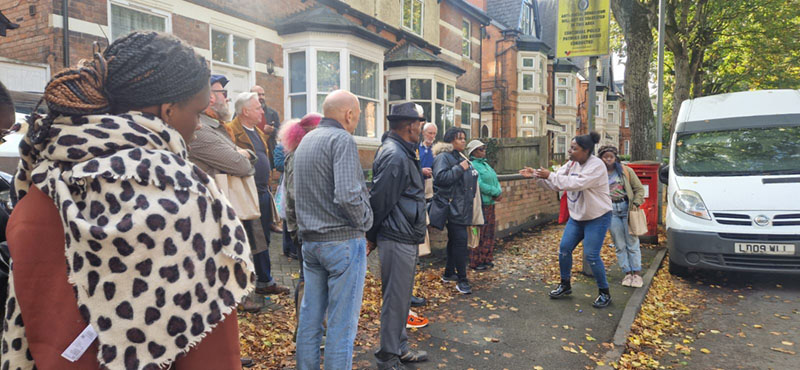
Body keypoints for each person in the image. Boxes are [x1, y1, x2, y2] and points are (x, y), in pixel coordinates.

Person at [3, 31, 251, 369]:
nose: (196, 128)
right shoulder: (181, 194)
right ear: (168, 111)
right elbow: (212, 353)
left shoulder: (42, 184)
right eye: (196, 113)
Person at [293, 90, 373, 370]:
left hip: (311, 243)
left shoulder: (305, 142)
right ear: (349, 114)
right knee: (341, 326)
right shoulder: (342, 140)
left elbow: (293, 196)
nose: (357, 121)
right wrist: (366, 222)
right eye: (358, 115)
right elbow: (348, 196)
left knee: (310, 320)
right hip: (341, 242)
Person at [367, 102, 429, 370]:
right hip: (396, 236)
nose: (422, 128)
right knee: (395, 298)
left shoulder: (403, 151)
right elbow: (379, 200)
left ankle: (399, 347)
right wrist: (371, 235)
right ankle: (387, 355)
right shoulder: (395, 154)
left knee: (401, 297)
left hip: (403, 234)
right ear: (410, 126)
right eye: (420, 123)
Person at [519, 132, 613, 308]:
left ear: (585, 151)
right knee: (564, 249)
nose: (569, 151)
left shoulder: (597, 166)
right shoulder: (571, 164)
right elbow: (557, 183)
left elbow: (575, 184)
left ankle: (604, 293)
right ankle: (565, 285)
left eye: (574, 149)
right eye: (570, 148)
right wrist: (536, 175)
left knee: (592, 255)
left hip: (597, 217)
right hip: (578, 216)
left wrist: (550, 175)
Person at [226, 92, 289, 297]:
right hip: (244, 194)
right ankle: (243, 288)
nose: (262, 111)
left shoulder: (259, 132)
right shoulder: (230, 131)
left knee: (264, 238)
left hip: (263, 192)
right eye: (257, 108)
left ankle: (264, 281)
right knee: (247, 240)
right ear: (245, 111)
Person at [280, 112, 322, 341]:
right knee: (307, 279)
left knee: (311, 279)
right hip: (304, 229)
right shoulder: (298, 156)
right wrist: (299, 229)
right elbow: (295, 195)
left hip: (306, 227)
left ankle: (313, 329)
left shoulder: (304, 153)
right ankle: (304, 331)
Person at [430, 127, 478, 295]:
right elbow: (441, 178)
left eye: (464, 138)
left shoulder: (459, 156)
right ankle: (462, 280)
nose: (463, 141)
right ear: (451, 140)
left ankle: (449, 273)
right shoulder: (444, 157)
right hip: (453, 208)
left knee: (455, 241)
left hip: (462, 207)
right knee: (460, 243)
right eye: (459, 138)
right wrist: (460, 168)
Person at [598, 145, 646, 288]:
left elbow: (639, 189)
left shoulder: (626, 171)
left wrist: (636, 203)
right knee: (619, 244)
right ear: (600, 158)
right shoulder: (598, 174)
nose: (608, 159)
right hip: (610, 211)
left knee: (632, 242)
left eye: (610, 157)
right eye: (605, 157)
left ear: (615, 157)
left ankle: (636, 274)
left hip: (626, 208)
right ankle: (627, 273)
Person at [466, 140, 502, 271]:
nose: (484, 151)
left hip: (490, 204)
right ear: (473, 151)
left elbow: (495, 179)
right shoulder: (473, 165)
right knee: (479, 232)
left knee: (489, 232)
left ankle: (487, 258)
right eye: (481, 149)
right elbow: (479, 184)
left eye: (484, 148)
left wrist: (499, 191)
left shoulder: (486, 165)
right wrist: (495, 192)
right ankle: (476, 260)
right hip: (480, 204)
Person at [250, 85, 281, 165]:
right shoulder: (243, 112)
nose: (261, 97)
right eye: (258, 95)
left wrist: (272, 130)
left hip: (268, 153)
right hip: (251, 151)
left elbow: (280, 133)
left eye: (263, 94)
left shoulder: (273, 113)